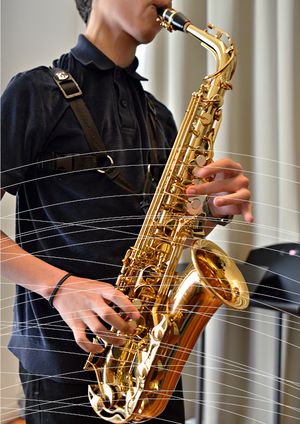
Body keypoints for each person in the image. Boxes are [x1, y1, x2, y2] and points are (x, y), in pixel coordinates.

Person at [1, 0, 253, 423]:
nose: (167, 2)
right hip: (64, 358)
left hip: (150, 357)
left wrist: (209, 211)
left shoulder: (160, 115)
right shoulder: (35, 92)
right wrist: (62, 288)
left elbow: (169, 233)